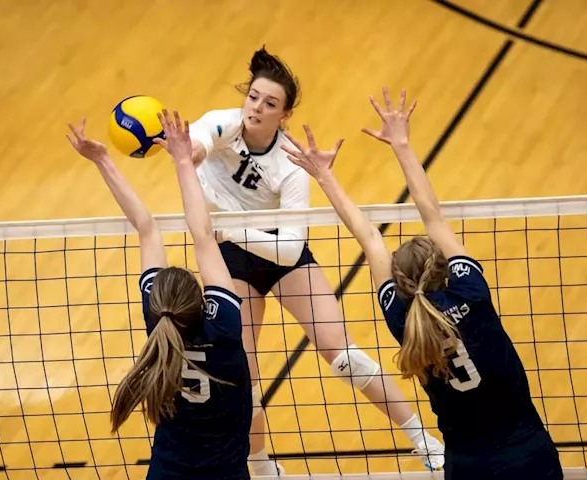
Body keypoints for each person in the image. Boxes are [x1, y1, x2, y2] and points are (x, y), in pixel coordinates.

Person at [181, 46, 445, 474]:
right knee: (240, 378)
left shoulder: (290, 164)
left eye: (270, 104)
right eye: (254, 97)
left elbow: (287, 249)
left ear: (283, 115)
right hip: (233, 262)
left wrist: (226, 229)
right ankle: (261, 464)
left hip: (279, 257)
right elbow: (195, 143)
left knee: (342, 355)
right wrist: (188, 153)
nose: (257, 108)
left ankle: (423, 440)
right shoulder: (222, 123)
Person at [282, 86, 563, 479]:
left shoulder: (403, 320)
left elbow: (369, 238)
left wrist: (324, 175)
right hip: (530, 456)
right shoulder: (472, 292)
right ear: (444, 268)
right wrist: (402, 145)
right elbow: (433, 217)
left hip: (467, 467)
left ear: (398, 284)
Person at [66, 111, 253, 479]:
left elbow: (146, 228)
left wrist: (103, 160)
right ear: (202, 301)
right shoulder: (223, 328)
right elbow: (202, 234)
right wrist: (183, 161)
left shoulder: (161, 321)